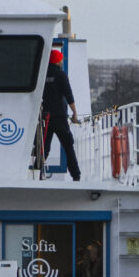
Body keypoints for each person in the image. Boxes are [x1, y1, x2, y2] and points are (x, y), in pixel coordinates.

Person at [35, 41, 82, 181]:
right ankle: (76, 175)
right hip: (60, 118)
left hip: (45, 118)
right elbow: (69, 95)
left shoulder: (42, 75)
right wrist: (75, 113)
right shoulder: (61, 75)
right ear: (57, 61)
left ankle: (37, 174)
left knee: (44, 148)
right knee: (68, 146)